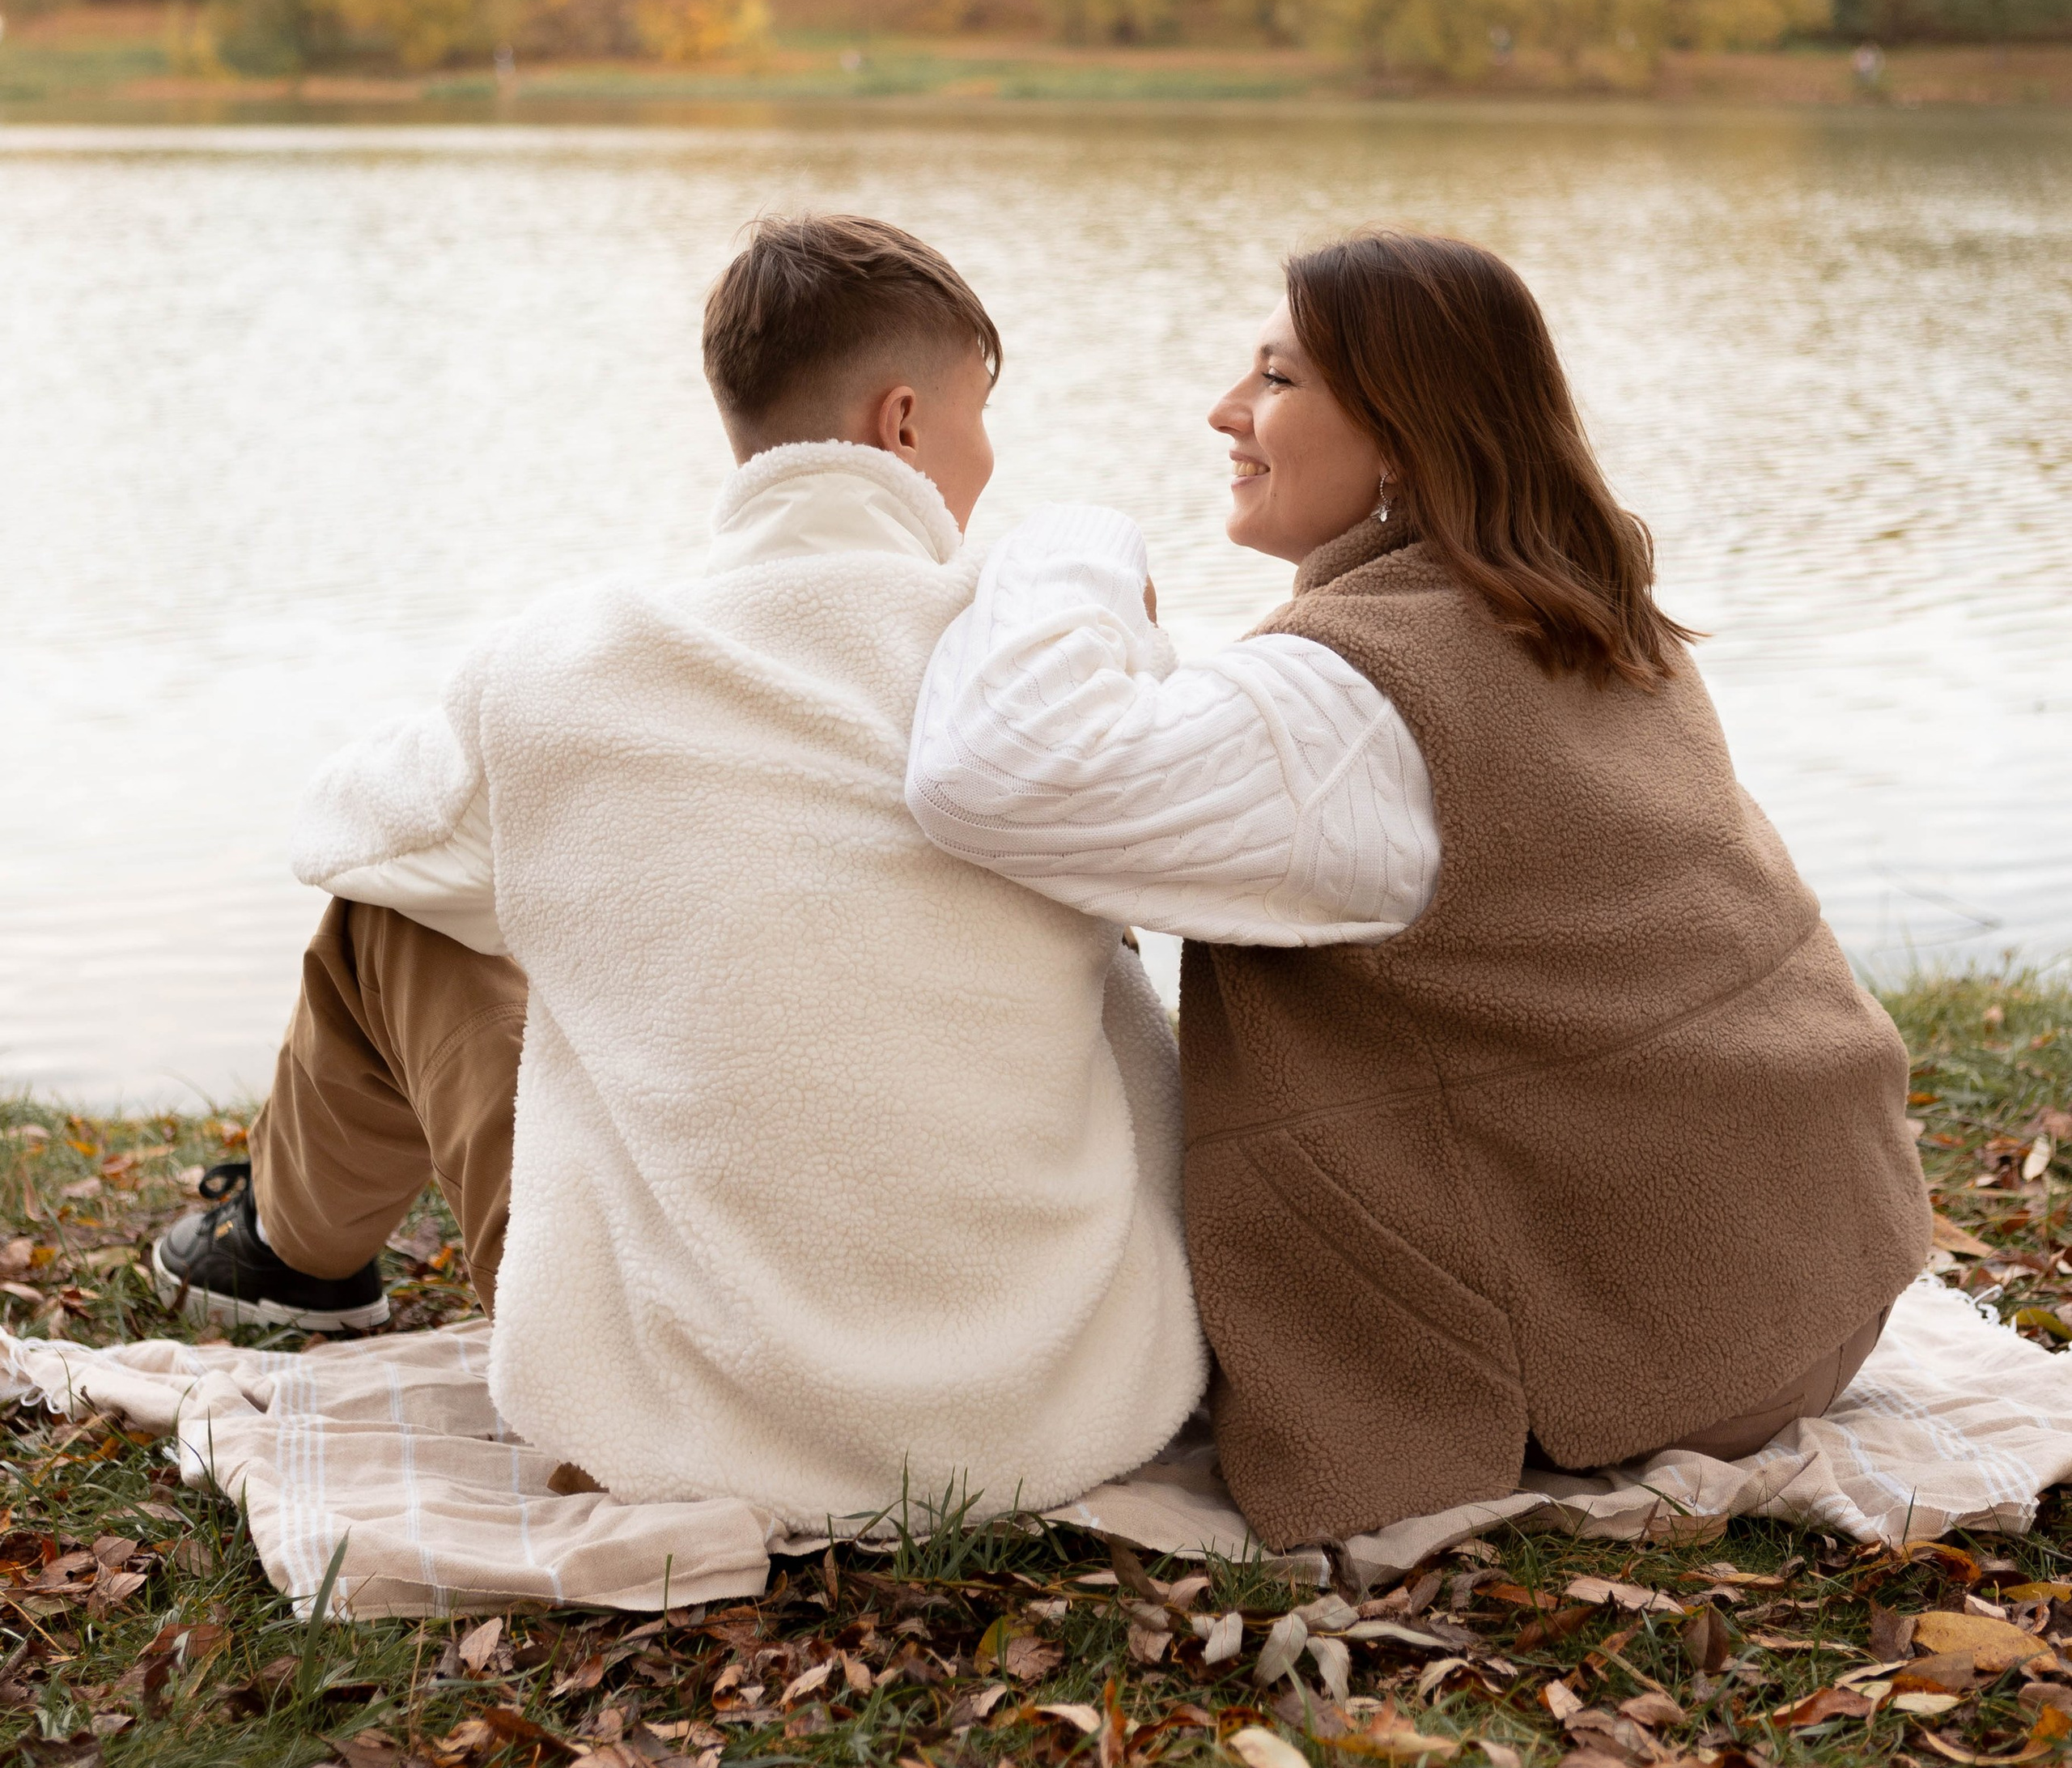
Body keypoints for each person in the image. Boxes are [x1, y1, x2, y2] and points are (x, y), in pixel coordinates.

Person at [154, 215, 1203, 1530]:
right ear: (904, 423)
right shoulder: (1041, 659)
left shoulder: (579, 661)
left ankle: (288, 1257)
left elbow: (342, 833)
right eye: (981, 415)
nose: (991, 460)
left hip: (680, 1418)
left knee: (398, 917)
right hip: (1054, 1400)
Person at [906, 227, 1931, 1550]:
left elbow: (997, 773)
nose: (1225, 411)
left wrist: (1068, 548)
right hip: (1817, 1274)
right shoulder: (1569, 605)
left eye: (1276, 381)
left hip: (1677, 1349)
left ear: (1401, 434)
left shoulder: (1356, 709)